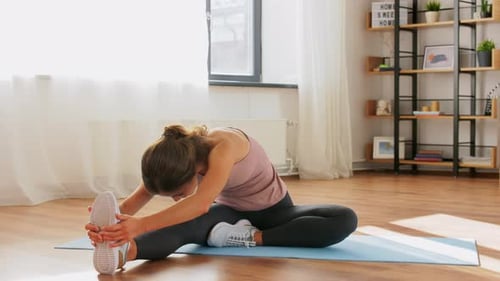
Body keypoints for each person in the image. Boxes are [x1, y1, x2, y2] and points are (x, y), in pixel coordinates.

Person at [85, 125, 358, 274]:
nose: (177, 198)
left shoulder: (224, 147)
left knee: (345, 219)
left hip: (275, 211)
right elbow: (141, 196)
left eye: (179, 192)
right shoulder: (175, 158)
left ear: (193, 170)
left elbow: (199, 203)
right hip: (229, 214)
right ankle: (123, 253)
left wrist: (141, 225)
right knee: (184, 225)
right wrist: (110, 228)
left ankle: (249, 238)